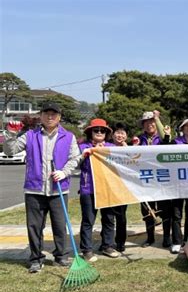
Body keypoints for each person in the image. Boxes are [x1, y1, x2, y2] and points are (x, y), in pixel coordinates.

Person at [4, 102, 81, 273]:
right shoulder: (30, 135)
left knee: (60, 225)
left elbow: (75, 158)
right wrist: (11, 134)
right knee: (34, 227)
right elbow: (10, 151)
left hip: (58, 189)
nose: (50, 117)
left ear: (59, 117)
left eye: (54, 114)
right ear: (41, 116)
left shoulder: (68, 137)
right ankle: (36, 258)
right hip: (34, 190)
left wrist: (65, 172)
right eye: (46, 113)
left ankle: (61, 256)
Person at [79, 118, 119, 261]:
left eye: (103, 130)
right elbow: (76, 162)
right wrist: (86, 154)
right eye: (96, 130)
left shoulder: (111, 147)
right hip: (88, 188)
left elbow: (123, 161)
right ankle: (87, 249)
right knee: (88, 220)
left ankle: (107, 245)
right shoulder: (83, 147)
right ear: (90, 132)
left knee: (109, 218)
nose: (99, 132)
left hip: (107, 189)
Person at [162, 118, 188, 253]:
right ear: (182, 128)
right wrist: (167, 136)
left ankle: (187, 240)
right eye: (186, 126)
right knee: (176, 214)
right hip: (177, 184)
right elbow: (163, 150)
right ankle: (177, 241)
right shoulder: (175, 143)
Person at [136, 111, 172, 248]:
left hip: (162, 179)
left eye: (152, 122)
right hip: (145, 179)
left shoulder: (163, 137)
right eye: (146, 122)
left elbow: (168, 143)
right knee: (147, 210)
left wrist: (165, 132)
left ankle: (166, 238)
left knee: (165, 209)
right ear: (143, 125)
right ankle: (150, 237)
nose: (150, 124)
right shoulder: (139, 140)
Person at [109, 122, 130, 252]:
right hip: (108, 186)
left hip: (123, 188)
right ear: (112, 135)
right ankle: (107, 242)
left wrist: (127, 149)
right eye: (117, 132)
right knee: (108, 216)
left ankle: (120, 242)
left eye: (122, 133)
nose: (120, 135)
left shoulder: (130, 149)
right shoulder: (106, 147)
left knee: (121, 216)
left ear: (126, 136)